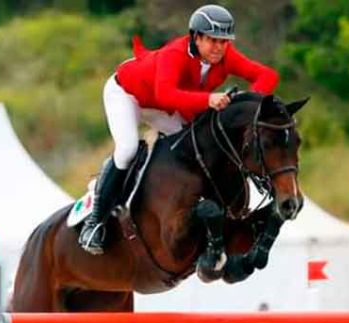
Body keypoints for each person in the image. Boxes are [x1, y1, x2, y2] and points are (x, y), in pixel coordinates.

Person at [79, 4, 280, 255]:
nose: (219, 47)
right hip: (128, 94)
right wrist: (207, 100)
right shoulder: (174, 54)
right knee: (128, 148)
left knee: (197, 146)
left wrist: (247, 107)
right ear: (196, 37)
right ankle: (95, 222)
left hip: (163, 106)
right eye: (213, 40)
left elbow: (267, 75)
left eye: (224, 41)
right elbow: (165, 95)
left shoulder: (226, 56)